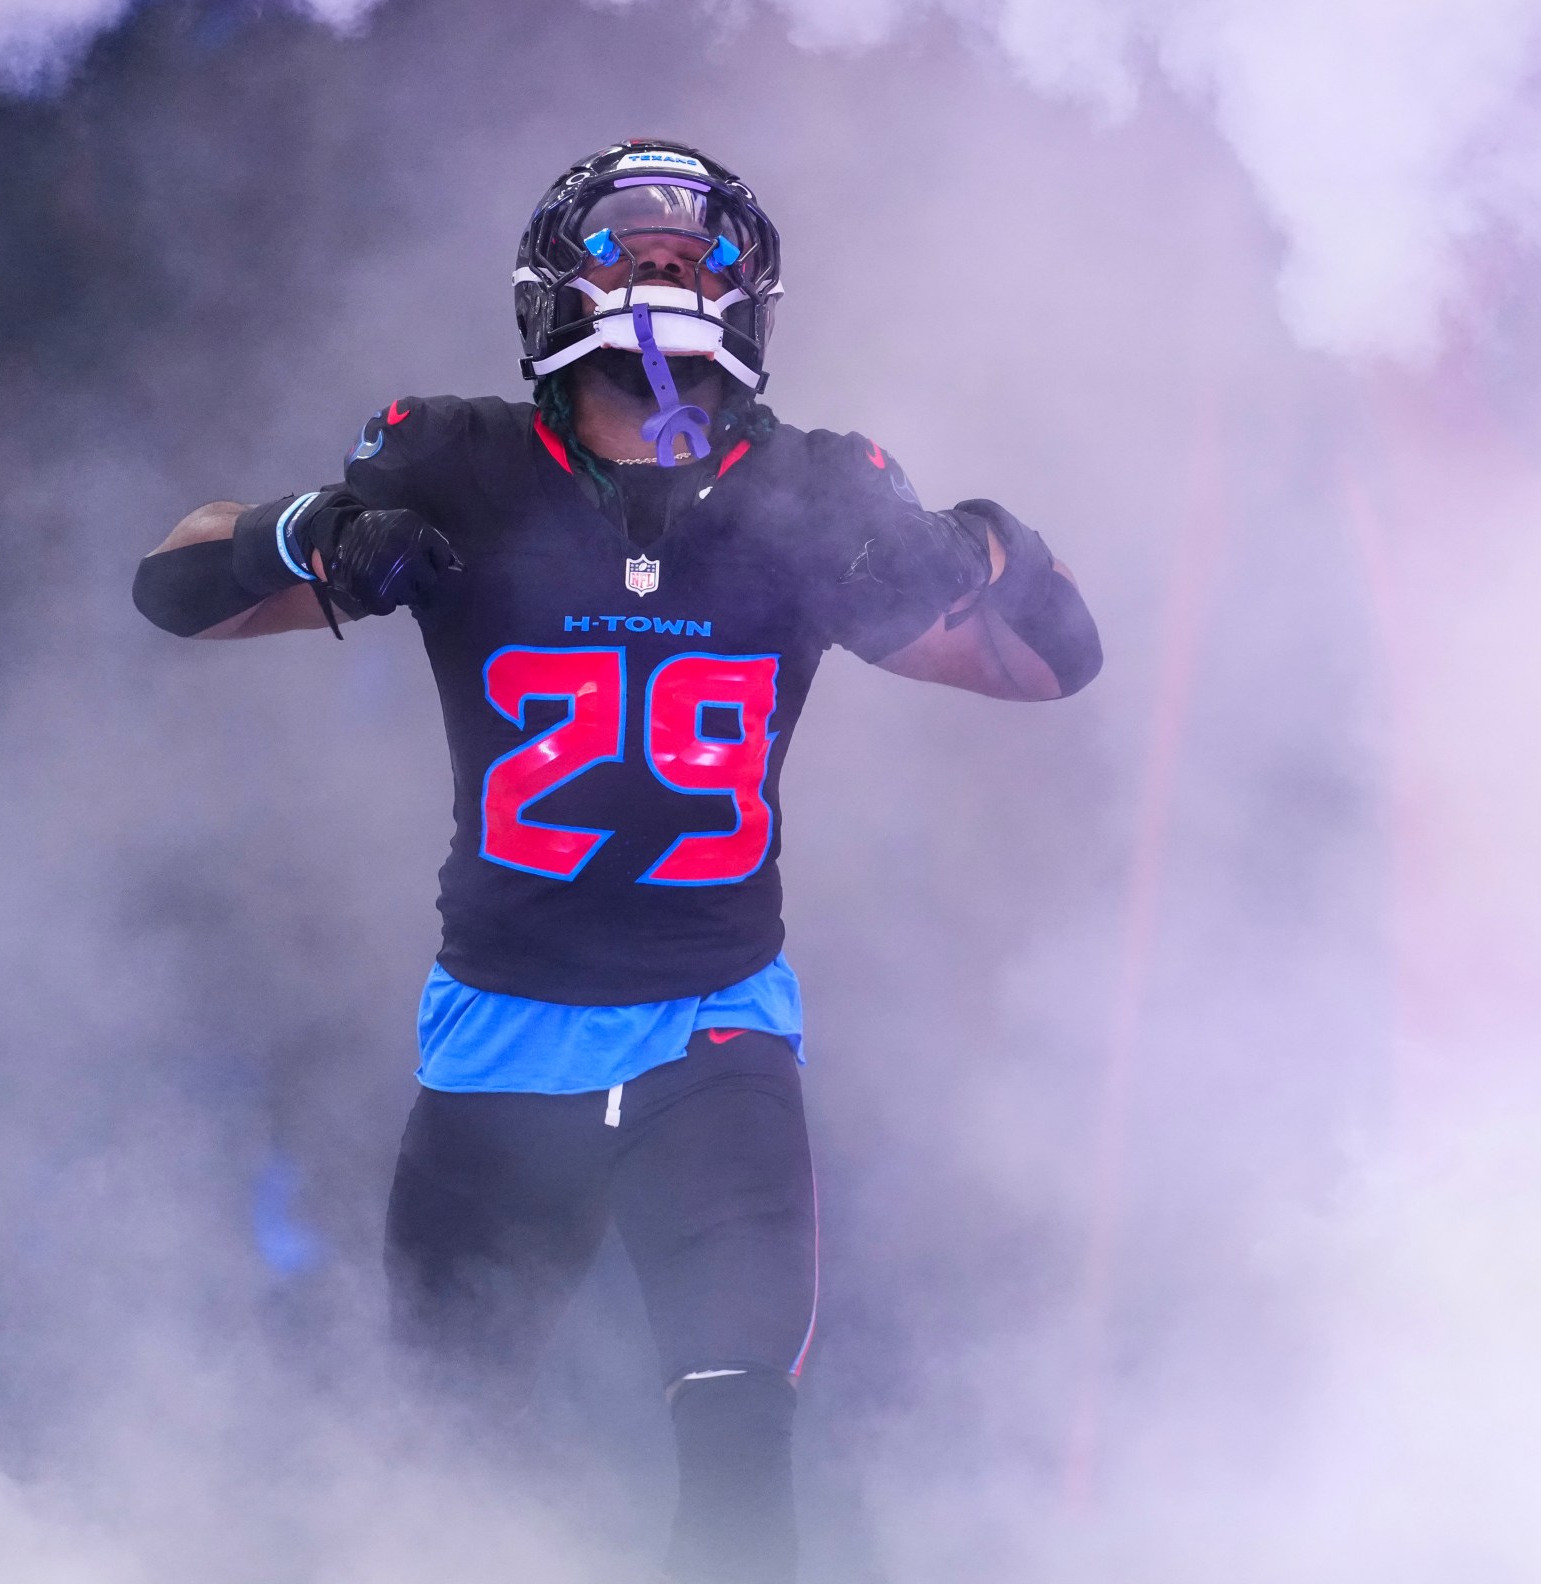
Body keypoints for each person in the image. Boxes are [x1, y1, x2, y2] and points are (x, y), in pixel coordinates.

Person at [129, 138, 1100, 1583]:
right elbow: (178, 588)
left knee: (735, 1470)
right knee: (434, 1469)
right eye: (627, 248)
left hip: (710, 1041)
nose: (661, 271)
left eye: (694, 251)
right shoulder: (454, 461)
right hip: (496, 1041)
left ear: (751, 292)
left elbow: (1053, 667)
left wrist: (974, 548)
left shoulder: (815, 495)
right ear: (550, 288)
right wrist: (315, 537)